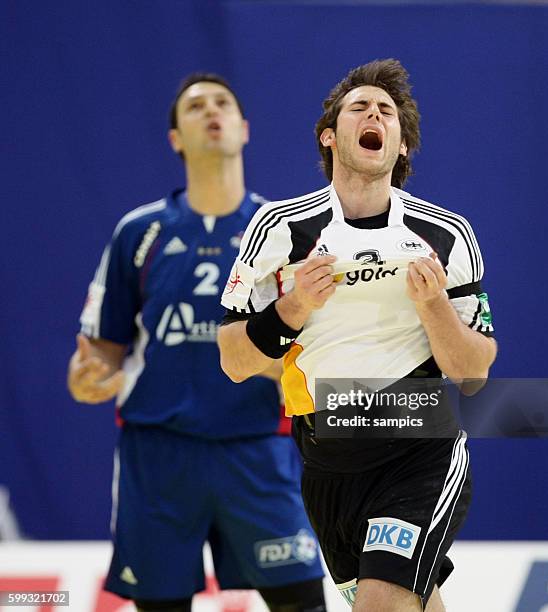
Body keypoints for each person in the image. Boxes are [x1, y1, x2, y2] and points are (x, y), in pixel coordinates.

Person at [218, 59, 497, 612]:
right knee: (409, 603)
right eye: (359, 107)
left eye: (387, 112)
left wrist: (435, 308)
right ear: (330, 135)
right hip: (326, 458)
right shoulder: (280, 229)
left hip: (420, 446)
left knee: (381, 604)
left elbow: (473, 375)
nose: (374, 114)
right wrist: (294, 307)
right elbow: (233, 360)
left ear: (402, 146)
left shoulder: (444, 234)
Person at [67, 73, 326, 612]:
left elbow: (314, 356)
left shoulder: (284, 233)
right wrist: (88, 375)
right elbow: (105, 351)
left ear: (244, 128)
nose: (212, 112)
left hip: (258, 447)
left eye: (223, 103)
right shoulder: (139, 233)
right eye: (195, 106)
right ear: (175, 139)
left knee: (303, 603)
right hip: (159, 453)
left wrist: (269, 364)